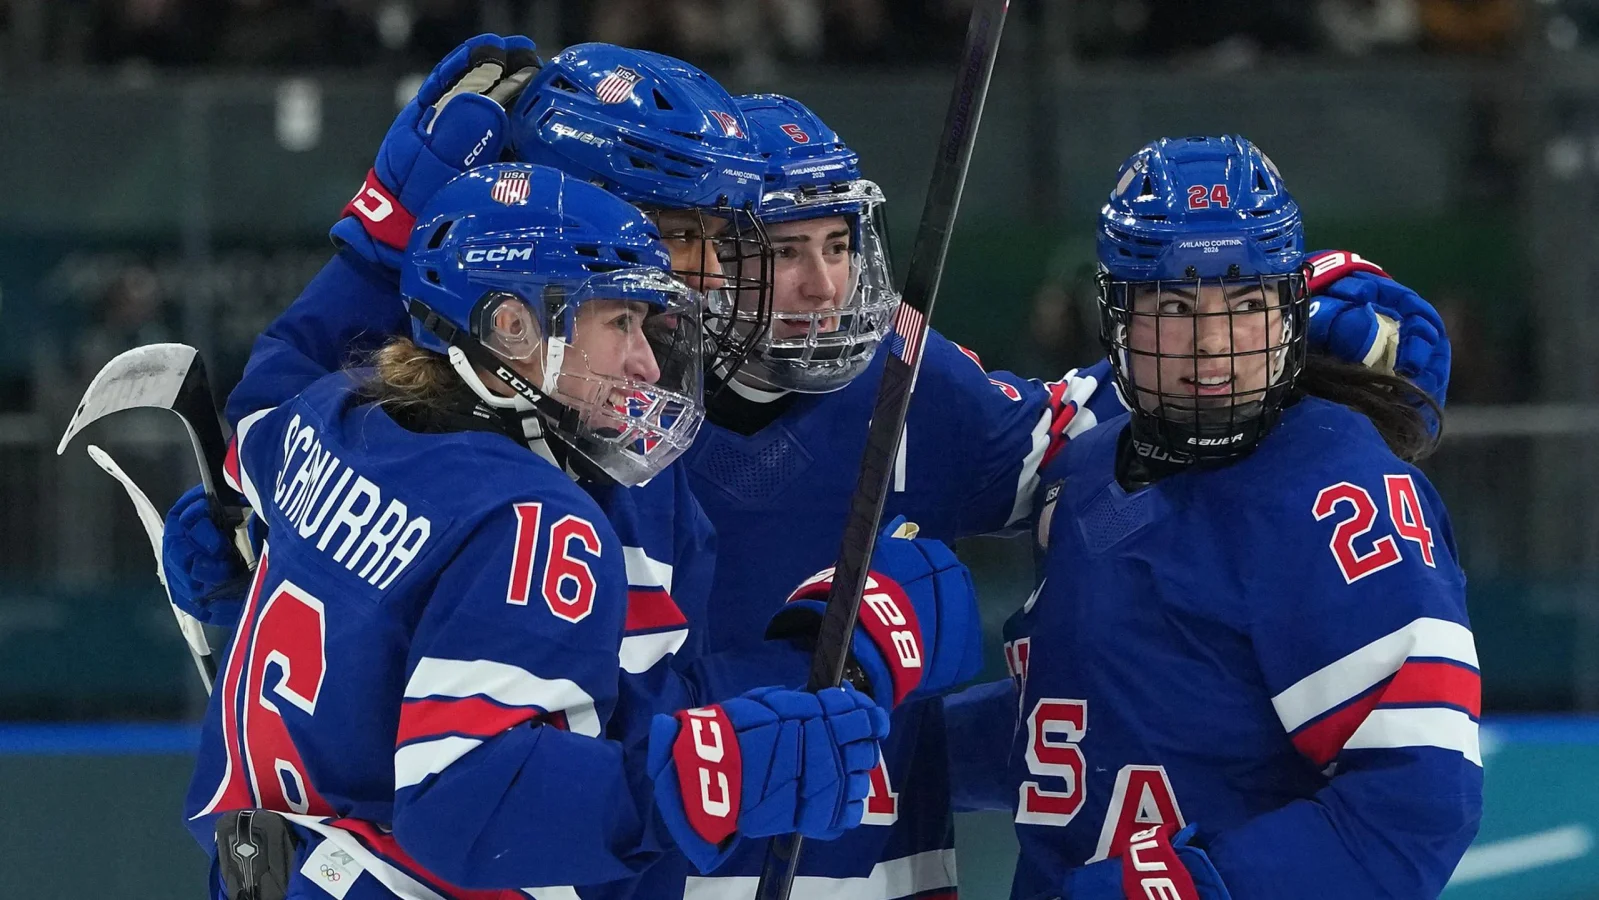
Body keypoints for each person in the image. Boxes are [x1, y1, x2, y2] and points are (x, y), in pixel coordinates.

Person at [165, 36, 1455, 900]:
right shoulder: (535, 460)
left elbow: (1099, 442)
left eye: (816, 239)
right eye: (717, 240)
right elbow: (509, 773)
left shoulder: (851, 371)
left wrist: (1282, 343)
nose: (795, 283)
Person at [184, 162, 900, 900]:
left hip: (260, 868)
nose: (645, 363)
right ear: (511, 325)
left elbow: (255, 433)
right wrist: (708, 777)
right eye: (618, 321)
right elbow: (466, 807)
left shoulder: (328, 416)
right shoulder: (531, 518)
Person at [948, 135, 1479, 900]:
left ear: (1292, 311)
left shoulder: (1338, 489)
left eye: (1244, 302)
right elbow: (1099, 724)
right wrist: (897, 755)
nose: (1211, 346)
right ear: (1118, 316)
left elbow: (1416, 805)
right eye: (1172, 305)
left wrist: (1187, 887)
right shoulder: (1085, 469)